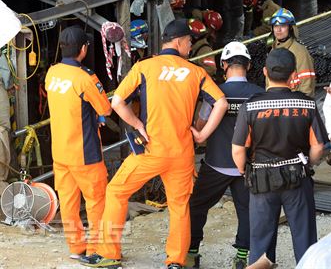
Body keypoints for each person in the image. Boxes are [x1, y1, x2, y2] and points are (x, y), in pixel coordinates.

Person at [81, 19, 228, 269]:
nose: (191, 46)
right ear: (179, 41)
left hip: (150, 150)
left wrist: (138, 125)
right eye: (189, 42)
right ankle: (175, 261)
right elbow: (221, 103)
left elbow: (117, 101)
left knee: (117, 191)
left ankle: (109, 254)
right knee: (179, 206)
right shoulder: (196, 72)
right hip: (182, 152)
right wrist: (202, 136)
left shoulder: (145, 67)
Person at [232, 48, 328, 265]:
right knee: (305, 240)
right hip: (297, 180)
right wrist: (307, 164)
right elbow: (318, 147)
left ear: (265, 72)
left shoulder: (251, 106)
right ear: (293, 74)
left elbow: (238, 149)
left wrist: (243, 170)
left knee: (261, 243)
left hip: (261, 181)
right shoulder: (307, 104)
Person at [187, 42, 263, 269]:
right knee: (247, 209)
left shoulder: (215, 92)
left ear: (223, 65)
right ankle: (241, 256)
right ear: (248, 65)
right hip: (247, 165)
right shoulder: (260, 94)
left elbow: (201, 123)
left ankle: (191, 253)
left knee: (197, 206)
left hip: (216, 163)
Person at [45, 26, 112, 261]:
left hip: (60, 153)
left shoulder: (51, 74)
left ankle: (76, 247)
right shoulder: (85, 78)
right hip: (85, 153)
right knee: (96, 202)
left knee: (69, 203)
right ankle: (95, 250)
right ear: (83, 49)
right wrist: (96, 115)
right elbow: (105, 108)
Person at [268, 8, 316, 97]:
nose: (278, 30)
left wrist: (302, 106)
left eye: (282, 26)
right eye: (275, 26)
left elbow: (307, 85)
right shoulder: (273, 51)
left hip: (294, 104)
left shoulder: (299, 51)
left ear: (290, 28)